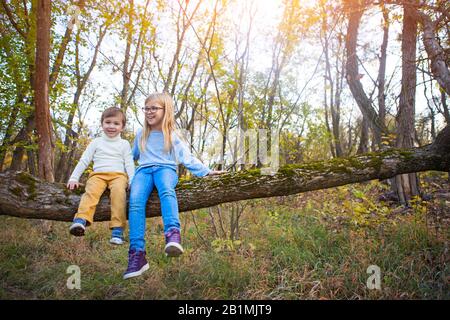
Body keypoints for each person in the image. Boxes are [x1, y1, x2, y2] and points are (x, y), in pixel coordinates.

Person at [123, 92, 223, 279]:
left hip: (165, 169)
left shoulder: (172, 134)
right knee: (135, 203)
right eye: (146, 108)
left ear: (165, 110)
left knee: (166, 191)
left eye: (154, 108)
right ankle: (137, 254)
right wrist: (120, 176)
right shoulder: (141, 134)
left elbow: (186, 158)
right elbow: (130, 157)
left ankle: (172, 234)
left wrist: (206, 171)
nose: (149, 112)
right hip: (143, 171)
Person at [67, 107, 135, 245]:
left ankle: (117, 230)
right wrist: (74, 178)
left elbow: (129, 163)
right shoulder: (96, 142)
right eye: (108, 122)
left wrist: (133, 180)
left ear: (122, 127)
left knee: (118, 195)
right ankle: (80, 220)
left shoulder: (124, 144)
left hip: (118, 176)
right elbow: (84, 160)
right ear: (102, 124)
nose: (111, 126)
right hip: (98, 175)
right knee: (90, 193)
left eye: (116, 123)